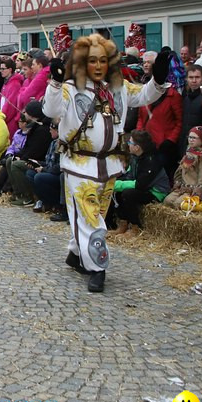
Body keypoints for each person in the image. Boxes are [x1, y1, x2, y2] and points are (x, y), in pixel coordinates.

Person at [43, 33, 171, 293]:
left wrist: (158, 77)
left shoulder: (118, 86)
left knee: (97, 214)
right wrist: (55, 82)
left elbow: (143, 95)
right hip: (79, 163)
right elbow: (51, 111)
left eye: (103, 60)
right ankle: (97, 267)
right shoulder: (70, 88)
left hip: (111, 164)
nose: (99, 66)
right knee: (90, 219)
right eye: (92, 60)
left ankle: (76, 253)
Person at [113, 130, 170, 236]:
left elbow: (141, 184)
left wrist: (117, 185)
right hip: (144, 187)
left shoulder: (151, 161)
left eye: (130, 143)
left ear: (137, 147)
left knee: (128, 194)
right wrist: (116, 183)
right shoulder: (136, 157)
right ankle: (123, 224)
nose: (128, 145)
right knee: (117, 192)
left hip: (155, 191)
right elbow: (130, 175)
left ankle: (135, 227)